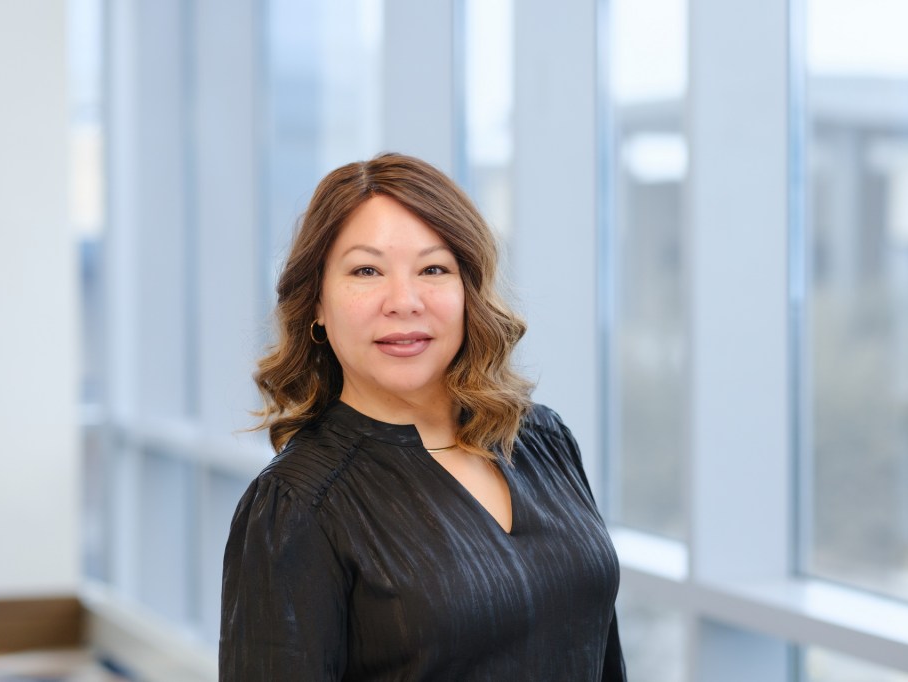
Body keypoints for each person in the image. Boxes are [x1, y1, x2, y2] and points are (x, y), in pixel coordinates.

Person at [220, 152, 627, 681]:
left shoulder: (540, 440)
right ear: (316, 301)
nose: (404, 301)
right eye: (366, 270)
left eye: (433, 269)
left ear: (468, 291)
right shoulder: (298, 504)